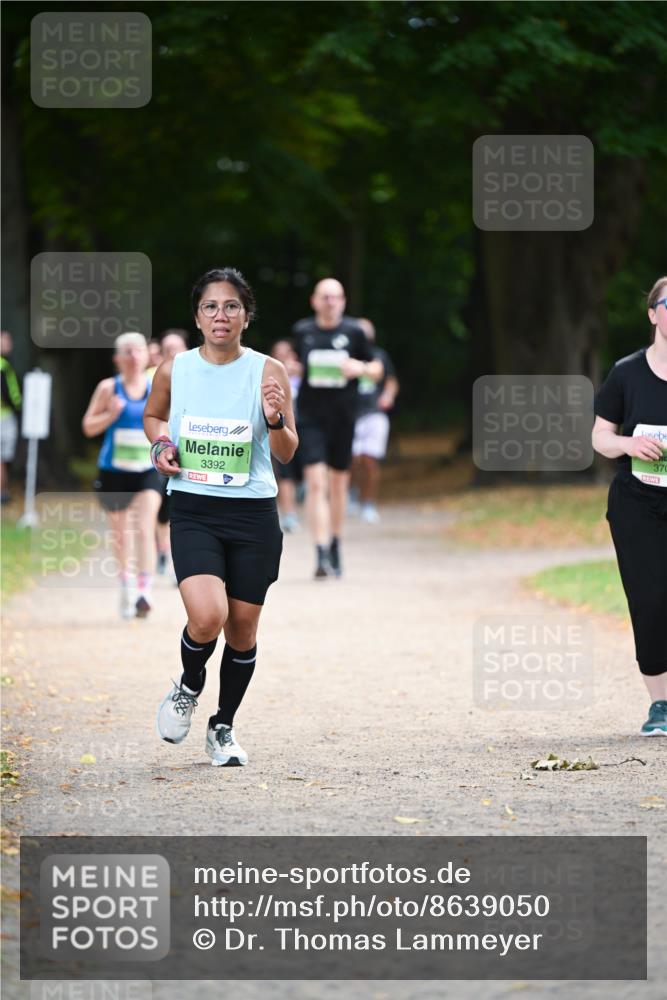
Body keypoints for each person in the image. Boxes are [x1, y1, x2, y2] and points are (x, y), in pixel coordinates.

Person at [145, 267, 297, 766]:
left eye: (231, 306)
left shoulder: (268, 371)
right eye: (211, 306)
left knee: (243, 631)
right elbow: (153, 417)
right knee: (208, 616)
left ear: (246, 317)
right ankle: (189, 685)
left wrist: (274, 418)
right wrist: (162, 445)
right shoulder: (175, 368)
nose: (221, 315)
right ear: (197, 315)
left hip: (253, 515)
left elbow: (287, 451)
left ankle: (222, 728)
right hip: (194, 508)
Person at [592, 276, 667, 736]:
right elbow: (599, 437)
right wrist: (629, 443)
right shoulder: (627, 372)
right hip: (638, 503)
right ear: (653, 313)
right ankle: (660, 705)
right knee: (650, 598)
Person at [292, 278, 383, 578]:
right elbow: (297, 366)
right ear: (314, 301)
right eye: (325, 297)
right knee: (316, 483)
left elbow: (376, 367)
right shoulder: (303, 331)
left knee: (337, 484)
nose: (331, 302)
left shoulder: (354, 332)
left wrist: (361, 368)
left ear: (343, 302)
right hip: (310, 416)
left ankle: (335, 543)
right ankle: (319, 552)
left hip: (344, 416)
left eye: (336, 297)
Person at [82, 332, 162, 619]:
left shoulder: (157, 387)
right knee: (120, 534)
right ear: (117, 358)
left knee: (144, 526)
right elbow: (88, 427)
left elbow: (168, 424)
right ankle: (127, 586)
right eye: (127, 351)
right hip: (114, 471)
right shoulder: (108, 388)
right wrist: (110, 416)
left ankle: (144, 591)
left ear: (147, 355)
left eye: (138, 350)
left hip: (147, 470)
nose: (133, 356)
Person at [349, 318, 399, 524]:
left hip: (374, 413)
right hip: (350, 414)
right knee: (352, 459)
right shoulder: (347, 356)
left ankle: (368, 502)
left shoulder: (379, 356)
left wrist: (388, 396)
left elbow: (391, 381)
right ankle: (351, 492)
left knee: (370, 460)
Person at [155, 329, 189, 574]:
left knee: (177, 507)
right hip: (160, 450)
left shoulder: (197, 374)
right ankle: (163, 552)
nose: (171, 354)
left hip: (189, 453)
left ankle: (178, 556)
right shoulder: (153, 376)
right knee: (159, 509)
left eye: (176, 348)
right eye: (167, 349)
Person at [270, 339, 303, 533]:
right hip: (283, 431)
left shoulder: (303, 375)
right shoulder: (270, 378)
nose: (283, 357)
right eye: (278, 353)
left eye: (286, 353)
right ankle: (289, 515)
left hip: (306, 430)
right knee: (285, 474)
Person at [0, 331, 22, 505]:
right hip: (4, 417)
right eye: (5, 341)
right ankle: (3, 492)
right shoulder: (3, 366)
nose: (9, 344)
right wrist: (19, 409)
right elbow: (11, 393)